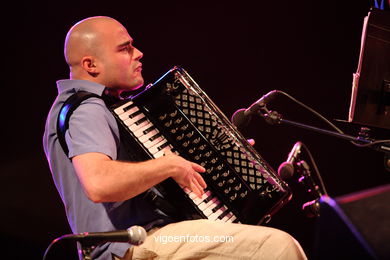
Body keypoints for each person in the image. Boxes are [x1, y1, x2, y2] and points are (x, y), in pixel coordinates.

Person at [43, 16, 307, 260]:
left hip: (155, 237)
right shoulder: (86, 110)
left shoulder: (101, 108)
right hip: (131, 246)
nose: (139, 53)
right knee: (278, 247)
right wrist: (169, 165)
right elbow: (99, 183)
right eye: (125, 49)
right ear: (91, 64)